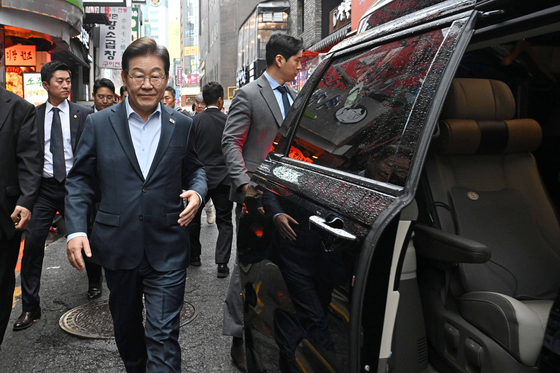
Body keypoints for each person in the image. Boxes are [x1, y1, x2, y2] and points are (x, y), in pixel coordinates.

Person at [65, 37, 207, 373]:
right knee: (127, 331)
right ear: (125, 78)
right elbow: (80, 179)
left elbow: (196, 169)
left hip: (168, 244)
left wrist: (198, 193)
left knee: (162, 335)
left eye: (156, 75)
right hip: (117, 245)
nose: (147, 84)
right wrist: (74, 230)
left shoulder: (182, 124)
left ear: (167, 78)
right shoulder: (98, 123)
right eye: (138, 75)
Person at [221, 32, 303, 372]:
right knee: (248, 269)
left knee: (281, 266)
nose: (300, 66)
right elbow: (230, 143)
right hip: (255, 198)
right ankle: (240, 338)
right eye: (297, 60)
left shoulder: (298, 96)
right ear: (280, 60)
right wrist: (245, 186)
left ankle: (281, 332)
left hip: (289, 195)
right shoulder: (249, 94)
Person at [12, 61, 102, 332]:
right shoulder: (33, 115)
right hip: (45, 189)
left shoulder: (83, 114)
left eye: (68, 81)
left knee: (87, 235)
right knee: (33, 245)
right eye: (60, 81)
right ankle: (30, 306)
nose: (66, 85)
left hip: (76, 187)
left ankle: (95, 282)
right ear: (46, 85)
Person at [0, 71, 42, 348]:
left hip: (4, 214)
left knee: (2, 280)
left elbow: (29, 160)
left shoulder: (18, 108)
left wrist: (26, 201)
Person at [188, 81, 233, 278]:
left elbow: (189, 151)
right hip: (224, 179)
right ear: (221, 100)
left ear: (204, 100)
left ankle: (194, 256)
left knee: (193, 219)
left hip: (201, 179)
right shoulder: (228, 121)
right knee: (225, 222)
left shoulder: (195, 121)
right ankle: (222, 263)